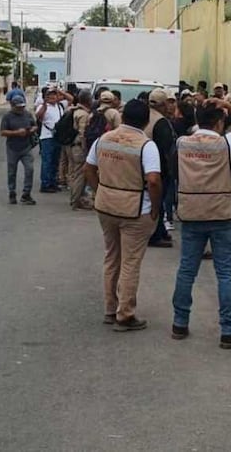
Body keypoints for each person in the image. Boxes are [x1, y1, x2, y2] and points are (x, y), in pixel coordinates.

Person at [171, 97, 231, 349]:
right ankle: (229, 329)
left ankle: (179, 322)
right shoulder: (227, 143)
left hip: (191, 212)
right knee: (225, 273)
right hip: (222, 213)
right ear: (220, 123)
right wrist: (227, 105)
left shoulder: (182, 142)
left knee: (187, 270)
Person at [84, 100, 162, 332]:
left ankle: (110, 308)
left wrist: (100, 190)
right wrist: (155, 207)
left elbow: (88, 168)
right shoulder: (147, 146)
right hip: (135, 209)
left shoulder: (103, 139)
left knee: (112, 257)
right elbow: (153, 180)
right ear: (146, 121)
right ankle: (125, 314)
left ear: (123, 117)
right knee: (130, 262)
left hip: (106, 206)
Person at [146, 88, 177, 248]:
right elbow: (166, 149)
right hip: (158, 168)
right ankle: (156, 234)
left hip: (143, 165)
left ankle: (160, 231)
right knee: (158, 201)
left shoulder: (145, 116)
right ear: (163, 104)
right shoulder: (161, 122)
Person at [0, 92, 37, 205]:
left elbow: (35, 125)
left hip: (26, 146)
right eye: (18, 107)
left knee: (30, 169)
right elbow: (2, 132)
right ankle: (12, 192)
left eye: (22, 107)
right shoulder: (7, 117)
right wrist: (16, 133)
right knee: (12, 171)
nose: (21, 109)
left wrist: (31, 130)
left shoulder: (27, 114)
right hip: (13, 147)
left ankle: (26, 193)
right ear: (12, 106)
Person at [35, 87, 71, 193]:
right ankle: (45, 184)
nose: (52, 97)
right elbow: (38, 116)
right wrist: (45, 104)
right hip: (47, 137)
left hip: (57, 137)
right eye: (49, 95)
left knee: (55, 161)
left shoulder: (60, 106)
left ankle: (53, 182)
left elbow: (71, 99)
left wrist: (60, 91)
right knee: (47, 161)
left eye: (54, 94)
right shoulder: (42, 106)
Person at [67, 90, 93, 211]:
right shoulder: (83, 114)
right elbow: (82, 134)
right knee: (80, 175)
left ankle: (76, 199)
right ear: (88, 100)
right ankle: (75, 201)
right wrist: (85, 149)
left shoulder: (72, 110)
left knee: (74, 173)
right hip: (79, 147)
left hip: (71, 146)